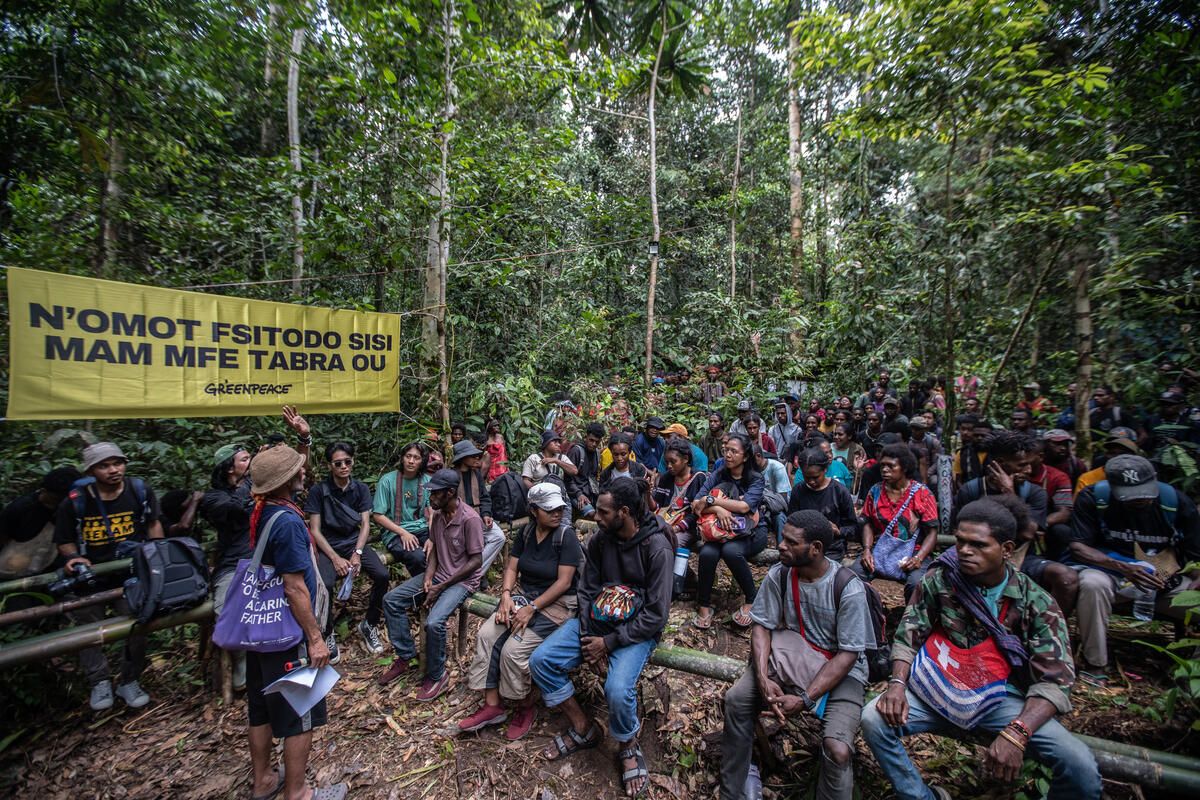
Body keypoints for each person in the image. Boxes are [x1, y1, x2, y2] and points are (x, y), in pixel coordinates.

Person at [861, 499, 1100, 800]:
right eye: (960, 541)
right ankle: (921, 796)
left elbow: (1054, 680)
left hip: (1002, 699)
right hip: (939, 686)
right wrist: (897, 683)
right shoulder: (940, 580)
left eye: (978, 544)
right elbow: (909, 633)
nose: (964, 551)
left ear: (1007, 550)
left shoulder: (1036, 602)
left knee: (1080, 766)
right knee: (873, 718)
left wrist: (1018, 730)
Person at [530, 478, 672, 799]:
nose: (596, 516)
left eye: (604, 512)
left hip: (636, 630)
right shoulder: (599, 541)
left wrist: (608, 644)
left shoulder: (657, 547)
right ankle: (584, 728)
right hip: (596, 623)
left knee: (618, 690)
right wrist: (592, 637)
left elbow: (656, 615)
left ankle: (628, 745)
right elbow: (587, 590)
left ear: (624, 512)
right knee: (542, 660)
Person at [721, 510, 872, 800]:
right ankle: (734, 790)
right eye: (782, 538)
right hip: (791, 657)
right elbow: (762, 627)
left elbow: (848, 655)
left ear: (815, 548)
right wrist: (763, 678)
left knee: (838, 749)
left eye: (791, 542)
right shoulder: (780, 574)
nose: (780, 545)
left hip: (841, 671)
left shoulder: (847, 588)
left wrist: (805, 699)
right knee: (737, 700)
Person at [241, 445, 346, 800]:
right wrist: (315, 638)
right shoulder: (286, 522)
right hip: (289, 632)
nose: (305, 471)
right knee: (302, 712)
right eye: (299, 468)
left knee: (260, 707)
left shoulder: (265, 511)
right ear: (288, 480)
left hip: (261, 629)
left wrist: (303, 440)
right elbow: (294, 584)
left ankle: (264, 780)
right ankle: (299, 792)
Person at [458, 483, 581, 741]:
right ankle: (492, 705)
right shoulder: (525, 533)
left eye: (559, 508)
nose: (556, 513)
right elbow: (512, 568)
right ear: (534, 510)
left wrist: (532, 609)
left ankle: (524, 704)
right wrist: (505, 595)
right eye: (549, 510)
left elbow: (564, 582)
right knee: (487, 635)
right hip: (524, 597)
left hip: (556, 605)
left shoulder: (565, 537)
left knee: (513, 651)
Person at [1067, 455, 1200, 686]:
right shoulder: (1093, 498)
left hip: (1164, 583)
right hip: (1111, 575)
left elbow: (1196, 555)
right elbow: (1078, 546)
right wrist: (1123, 568)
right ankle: (1095, 663)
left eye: (1145, 494)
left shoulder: (1176, 502)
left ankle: (1192, 672)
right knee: (1091, 584)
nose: (1140, 500)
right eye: (1131, 497)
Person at [54, 442, 163, 711]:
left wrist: (157, 553)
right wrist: (73, 558)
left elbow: (153, 523)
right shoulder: (76, 501)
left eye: (117, 463)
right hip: (91, 577)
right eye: (104, 466)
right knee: (88, 631)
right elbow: (63, 539)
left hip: (130, 574)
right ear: (91, 470)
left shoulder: (139, 491)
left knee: (138, 624)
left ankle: (130, 678)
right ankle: (99, 681)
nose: (113, 470)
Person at [378, 469, 484, 700]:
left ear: (450, 493)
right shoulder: (437, 515)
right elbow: (434, 548)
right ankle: (406, 655)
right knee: (391, 600)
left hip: (462, 581)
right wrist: (428, 576)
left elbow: (477, 560)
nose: (431, 498)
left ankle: (437, 675)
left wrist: (442, 585)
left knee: (435, 622)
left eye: (435, 494)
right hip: (440, 575)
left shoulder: (470, 519)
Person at [306, 441, 387, 658]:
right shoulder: (319, 491)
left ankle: (369, 624)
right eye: (338, 463)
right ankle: (327, 632)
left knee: (382, 575)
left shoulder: (359, 488)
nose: (343, 466)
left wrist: (357, 553)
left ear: (353, 462)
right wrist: (334, 558)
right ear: (329, 466)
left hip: (353, 542)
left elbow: (366, 524)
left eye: (347, 462)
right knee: (326, 583)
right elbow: (314, 529)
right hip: (328, 546)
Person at [690, 434, 768, 629]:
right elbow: (695, 504)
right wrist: (718, 509)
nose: (728, 454)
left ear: (746, 456)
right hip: (720, 529)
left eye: (734, 451)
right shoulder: (718, 474)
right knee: (707, 553)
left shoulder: (756, 479)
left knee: (731, 551)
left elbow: (744, 507)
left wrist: (713, 501)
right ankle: (704, 604)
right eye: (726, 450)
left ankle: (752, 599)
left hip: (751, 531)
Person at [851, 443, 939, 601]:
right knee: (853, 576)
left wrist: (919, 558)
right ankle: (866, 612)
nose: (884, 469)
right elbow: (867, 522)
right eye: (882, 465)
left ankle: (910, 622)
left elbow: (932, 532)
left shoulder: (923, 494)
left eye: (891, 466)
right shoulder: (875, 491)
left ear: (904, 468)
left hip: (913, 551)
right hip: (880, 550)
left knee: (917, 584)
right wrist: (867, 549)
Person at [201, 443, 254, 690]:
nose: (251, 462)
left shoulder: (257, 488)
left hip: (265, 559)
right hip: (233, 564)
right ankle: (241, 659)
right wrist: (250, 482)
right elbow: (234, 509)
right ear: (228, 469)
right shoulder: (213, 497)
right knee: (226, 610)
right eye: (245, 460)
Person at [0, 466, 80, 576]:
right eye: (57, 499)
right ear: (44, 491)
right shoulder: (21, 509)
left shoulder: (72, 507)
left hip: (52, 566)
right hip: (13, 569)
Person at [373, 442, 431, 579]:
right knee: (417, 557)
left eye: (416, 458)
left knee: (444, 546)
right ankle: (423, 593)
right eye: (408, 456)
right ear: (402, 458)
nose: (411, 461)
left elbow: (433, 512)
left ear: (422, 461)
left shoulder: (427, 481)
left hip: (422, 528)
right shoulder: (387, 481)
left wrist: (433, 538)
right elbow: (378, 515)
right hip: (395, 532)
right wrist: (403, 533)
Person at [787, 448, 857, 560]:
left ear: (825, 470)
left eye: (815, 477)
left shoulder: (839, 491)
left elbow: (852, 527)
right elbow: (791, 521)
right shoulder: (798, 490)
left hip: (831, 548)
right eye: (807, 477)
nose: (811, 481)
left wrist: (838, 531)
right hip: (802, 546)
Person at [451, 439, 506, 575]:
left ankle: (475, 572)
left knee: (498, 537)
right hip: (459, 521)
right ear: (463, 458)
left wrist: (486, 514)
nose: (477, 458)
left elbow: (484, 497)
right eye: (472, 456)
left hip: (477, 517)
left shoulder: (475, 474)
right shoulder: (451, 476)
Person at [1074, 427, 1140, 496]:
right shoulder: (1088, 478)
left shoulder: (1144, 473)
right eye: (1112, 452)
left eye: (1122, 452)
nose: (1117, 457)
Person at [567, 423, 605, 517]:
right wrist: (578, 494)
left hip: (591, 493)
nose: (593, 444)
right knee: (592, 514)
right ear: (586, 437)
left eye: (597, 442)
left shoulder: (597, 453)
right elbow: (567, 479)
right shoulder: (576, 451)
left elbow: (594, 477)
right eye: (591, 440)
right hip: (575, 493)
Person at [484, 418, 509, 484]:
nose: (497, 427)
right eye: (495, 426)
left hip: (503, 468)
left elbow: (504, 453)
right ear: (490, 427)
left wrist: (507, 467)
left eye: (498, 425)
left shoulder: (500, 437)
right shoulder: (486, 440)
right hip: (492, 470)